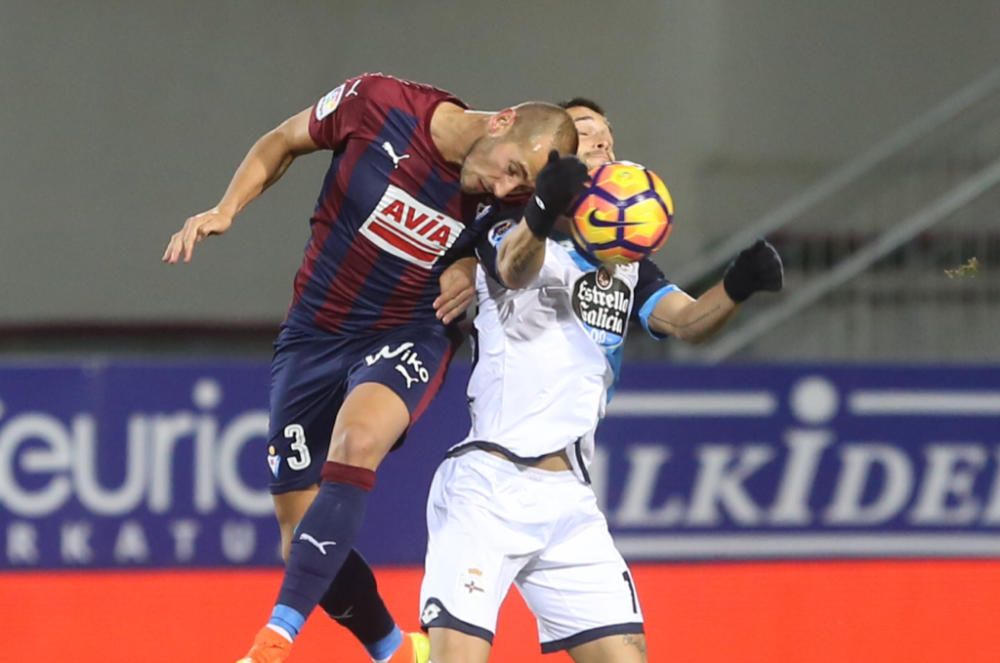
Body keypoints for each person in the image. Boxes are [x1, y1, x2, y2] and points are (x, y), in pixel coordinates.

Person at [162, 72, 579, 663]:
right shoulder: (379, 103)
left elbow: (513, 261)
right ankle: (395, 650)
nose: (505, 185)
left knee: (356, 441)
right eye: (511, 168)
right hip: (313, 331)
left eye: (522, 184)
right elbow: (282, 141)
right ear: (501, 120)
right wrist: (227, 208)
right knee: (298, 536)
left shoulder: (511, 203)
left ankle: (274, 639)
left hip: (410, 328)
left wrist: (471, 268)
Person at [417, 99, 783, 662]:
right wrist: (543, 208)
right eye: (587, 134)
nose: (603, 146)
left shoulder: (626, 265)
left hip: (569, 497)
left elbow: (687, 322)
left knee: (626, 655)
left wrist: (735, 288)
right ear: (554, 152)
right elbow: (515, 269)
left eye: (609, 139)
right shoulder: (506, 223)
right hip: (488, 484)